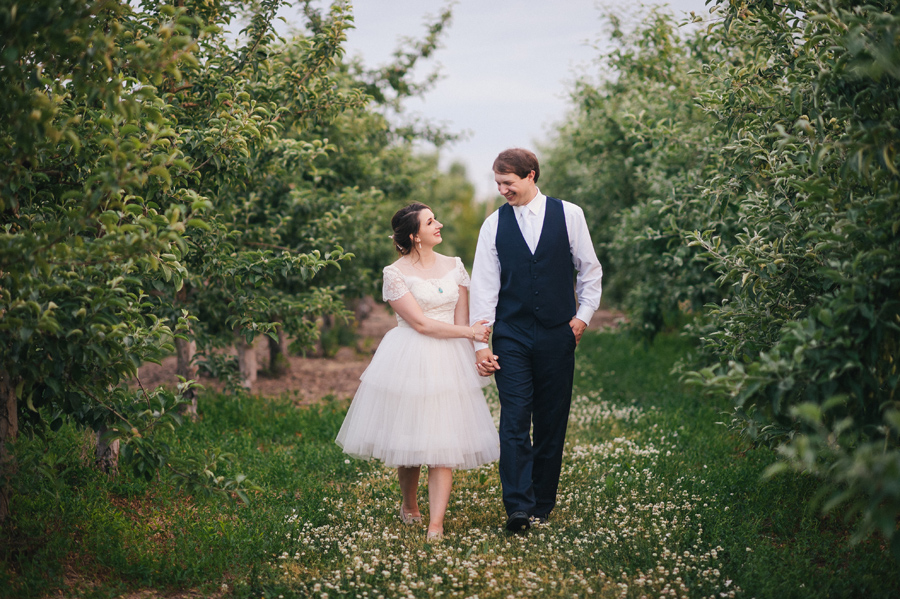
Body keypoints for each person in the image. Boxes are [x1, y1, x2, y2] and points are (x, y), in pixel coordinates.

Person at [336, 203, 500, 541]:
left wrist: (477, 351)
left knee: (444, 442)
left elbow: (463, 319)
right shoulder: (395, 273)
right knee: (410, 437)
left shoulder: (455, 266)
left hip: (450, 360)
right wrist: (470, 334)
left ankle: (435, 525)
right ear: (414, 235)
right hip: (410, 356)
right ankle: (409, 504)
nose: (439, 224)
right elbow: (422, 324)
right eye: (430, 222)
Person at [470, 148, 603, 532]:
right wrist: (482, 342)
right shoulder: (493, 225)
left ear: (531, 176)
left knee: (550, 420)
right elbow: (483, 288)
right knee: (513, 419)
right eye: (497, 183)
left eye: (507, 183)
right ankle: (517, 506)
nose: (502, 190)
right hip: (511, 335)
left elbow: (589, 271)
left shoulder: (570, 215)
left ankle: (542, 503)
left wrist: (582, 319)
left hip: (557, 334)